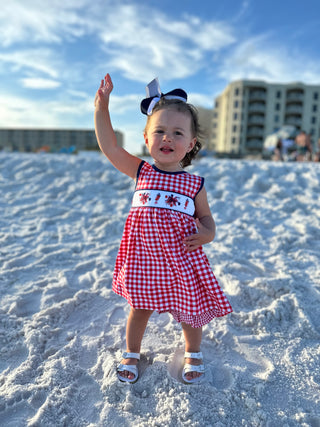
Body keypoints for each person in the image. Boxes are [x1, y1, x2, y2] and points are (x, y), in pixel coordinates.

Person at [94, 74, 232, 384]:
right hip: (145, 259)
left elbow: (207, 220)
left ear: (191, 144)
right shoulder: (140, 170)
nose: (167, 138)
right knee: (139, 308)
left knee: (189, 309)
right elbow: (110, 145)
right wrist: (102, 107)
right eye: (159, 131)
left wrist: (208, 234)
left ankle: (193, 351)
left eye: (177, 133)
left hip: (181, 258)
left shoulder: (194, 184)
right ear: (146, 138)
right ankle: (131, 351)